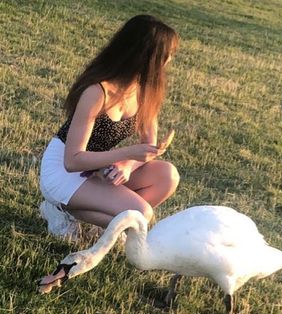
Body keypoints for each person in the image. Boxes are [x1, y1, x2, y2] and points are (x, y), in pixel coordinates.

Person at [39, 14, 180, 239]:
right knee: (140, 214)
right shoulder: (97, 92)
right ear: (147, 56)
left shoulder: (145, 91)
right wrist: (125, 153)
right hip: (64, 171)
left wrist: (127, 165)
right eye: (167, 54)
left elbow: (148, 146)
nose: (170, 60)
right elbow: (72, 160)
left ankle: (104, 221)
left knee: (167, 176)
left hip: (99, 168)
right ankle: (59, 209)